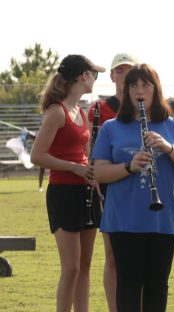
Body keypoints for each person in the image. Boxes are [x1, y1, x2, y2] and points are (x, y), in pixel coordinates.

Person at [93, 63, 174, 311]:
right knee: (128, 284)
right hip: (123, 218)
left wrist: (168, 148)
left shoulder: (173, 127)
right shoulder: (111, 128)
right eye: (134, 85)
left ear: (156, 89)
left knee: (157, 285)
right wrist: (129, 166)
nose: (139, 90)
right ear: (127, 90)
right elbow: (99, 172)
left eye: (145, 85)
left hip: (162, 219)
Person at [30, 54, 105, 311]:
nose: (95, 78)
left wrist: (93, 176)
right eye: (93, 73)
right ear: (83, 76)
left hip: (85, 191)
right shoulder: (56, 112)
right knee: (71, 268)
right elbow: (37, 155)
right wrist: (74, 168)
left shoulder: (82, 112)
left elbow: (86, 155)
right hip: (63, 193)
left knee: (84, 266)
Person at [87, 52, 138, 312]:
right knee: (113, 254)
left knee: (139, 254)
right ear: (112, 75)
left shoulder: (145, 104)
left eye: (129, 70)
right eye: (120, 70)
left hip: (138, 183)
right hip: (109, 184)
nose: (125, 75)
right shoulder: (99, 109)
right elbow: (92, 147)